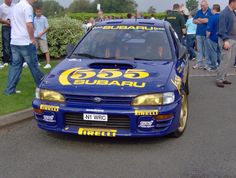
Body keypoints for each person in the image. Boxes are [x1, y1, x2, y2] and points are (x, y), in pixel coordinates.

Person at [4, 0, 44, 95]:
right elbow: (29, 24)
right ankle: (43, 87)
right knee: (33, 65)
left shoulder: (14, 7)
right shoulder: (27, 7)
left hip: (14, 41)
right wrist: (32, 39)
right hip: (25, 42)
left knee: (15, 66)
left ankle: (9, 90)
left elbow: (10, 22)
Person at [216, 0, 236, 88]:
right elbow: (221, 28)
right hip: (227, 40)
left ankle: (223, 77)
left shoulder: (233, 13)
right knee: (225, 59)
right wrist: (225, 40)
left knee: (231, 61)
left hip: (233, 39)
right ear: (233, 2)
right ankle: (219, 79)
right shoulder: (224, 13)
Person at [192, 0, 212, 69]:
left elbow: (208, 20)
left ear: (207, 5)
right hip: (198, 33)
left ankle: (207, 64)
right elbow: (193, 21)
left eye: (203, 5)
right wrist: (202, 20)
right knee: (199, 50)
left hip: (207, 34)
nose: (202, 7)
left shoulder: (210, 11)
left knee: (207, 50)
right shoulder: (198, 11)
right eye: (201, 5)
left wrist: (200, 19)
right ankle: (199, 63)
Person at [206, 4, 221, 71]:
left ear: (214, 9)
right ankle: (220, 66)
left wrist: (207, 37)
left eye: (212, 9)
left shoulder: (212, 18)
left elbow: (209, 29)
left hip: (213, 37)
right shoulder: (222, 17)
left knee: (213, 53)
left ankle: (214, 67)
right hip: (221, 38)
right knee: (219, 52)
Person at [0, 0, 14, 68]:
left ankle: (13, 60)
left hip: (14, 27)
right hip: (5, 27)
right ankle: (6, 61)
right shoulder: (1, 7)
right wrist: (6, 22)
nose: (11, 1)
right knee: (6, 44)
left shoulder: (14, 6)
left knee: (13, 44)